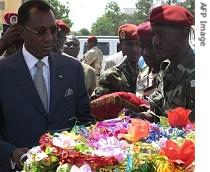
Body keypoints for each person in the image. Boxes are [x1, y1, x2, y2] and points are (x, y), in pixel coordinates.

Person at [0, 1, 94, 171]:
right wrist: (12, 153)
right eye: (40, 31)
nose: (50, 37)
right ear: (21, 31)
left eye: (53, 30)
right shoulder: (3, 72)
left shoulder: (72, 68)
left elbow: (85, 121)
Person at [149, 5, 195, 122]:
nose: (155, 42)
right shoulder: (166, 68)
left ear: (183, 34)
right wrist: (144, 117)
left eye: (161, 35)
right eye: (153, 35)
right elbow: (160, 114)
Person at [92, 23, 141, 98]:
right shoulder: (112, 75)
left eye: (138, 44)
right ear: (121, 47)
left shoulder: (146, 72)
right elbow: (97, 103)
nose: (134, 49)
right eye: (129, 45)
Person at [136, 21, 161, 98]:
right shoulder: (144, 71)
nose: (146, 53)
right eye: (142, 47)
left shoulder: (172, 74)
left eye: (151, 47)